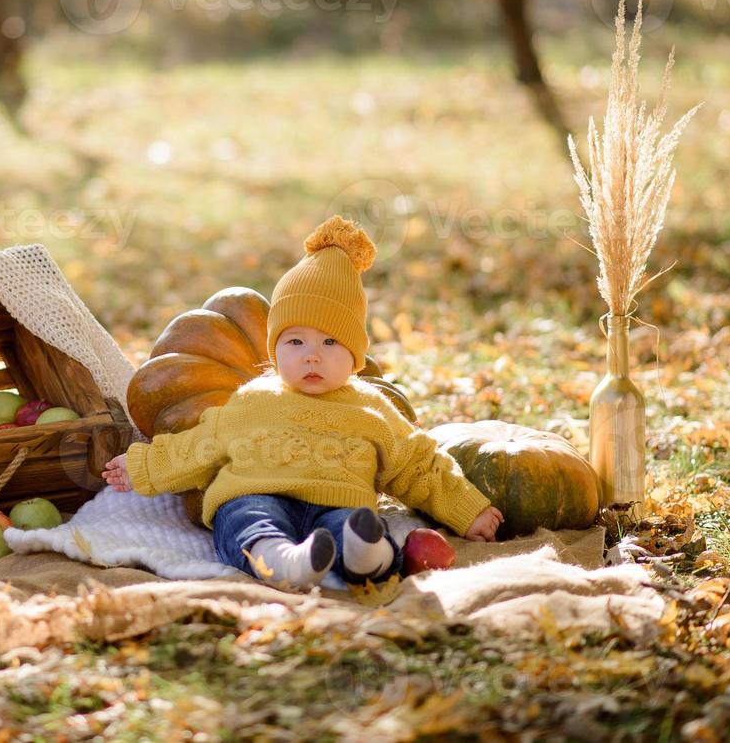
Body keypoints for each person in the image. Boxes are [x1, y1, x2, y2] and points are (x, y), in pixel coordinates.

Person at [102, 215, 504, 592]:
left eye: (330, 342)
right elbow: (201, 446)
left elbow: (418, 463)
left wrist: (466, 509)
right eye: (295, 341)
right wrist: (144, 466)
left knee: (351, 524)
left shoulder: (372, 407)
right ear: (275, 349)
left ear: (355, 355)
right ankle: (282, 560)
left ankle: (368, 555)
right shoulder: (254, 400)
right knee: (244, 516)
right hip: (258, 492)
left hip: (336, 499)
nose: (312, 355)